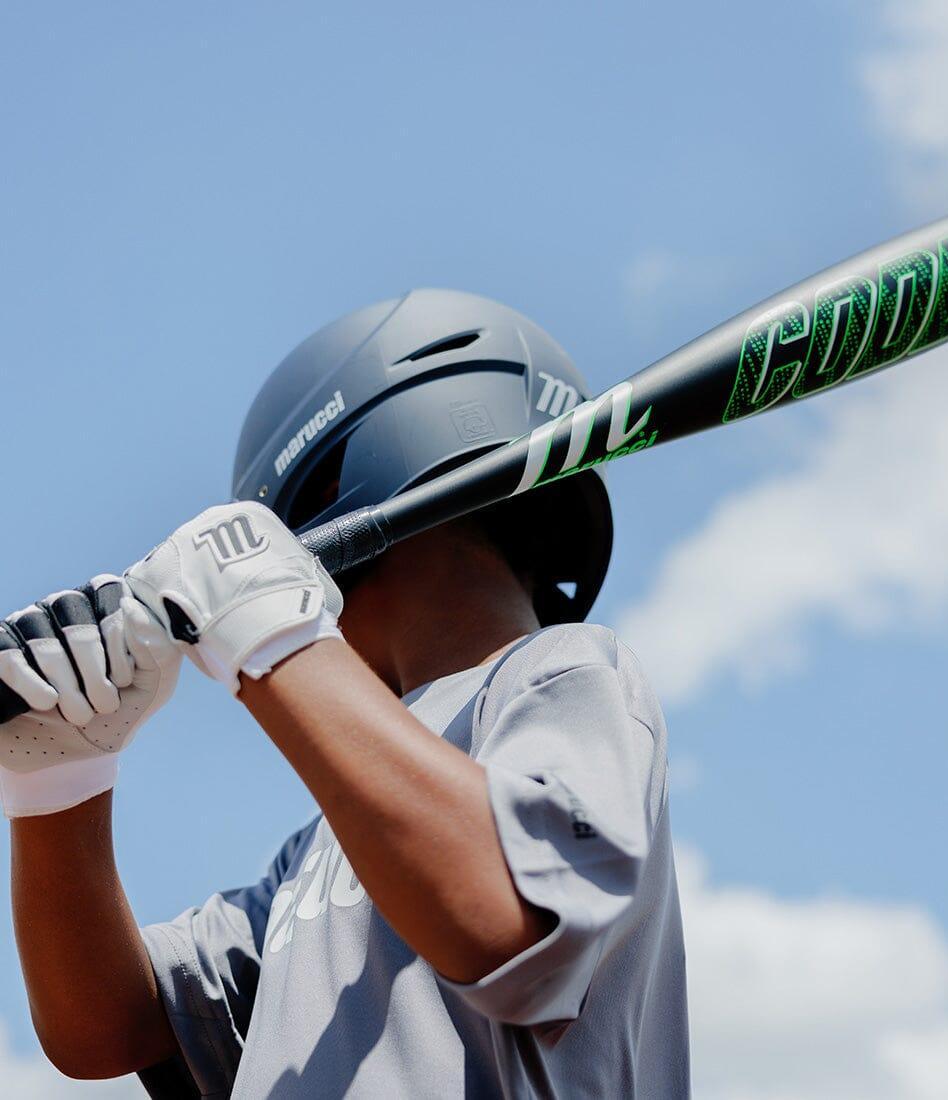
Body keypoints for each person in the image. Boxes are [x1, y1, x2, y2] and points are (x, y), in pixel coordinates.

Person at [2, 290, 689, 1097]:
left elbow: (501, 918)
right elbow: (104, 1028)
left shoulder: (565, 668)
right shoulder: (323, 849)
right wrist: (57, 781)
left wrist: (268, 630)